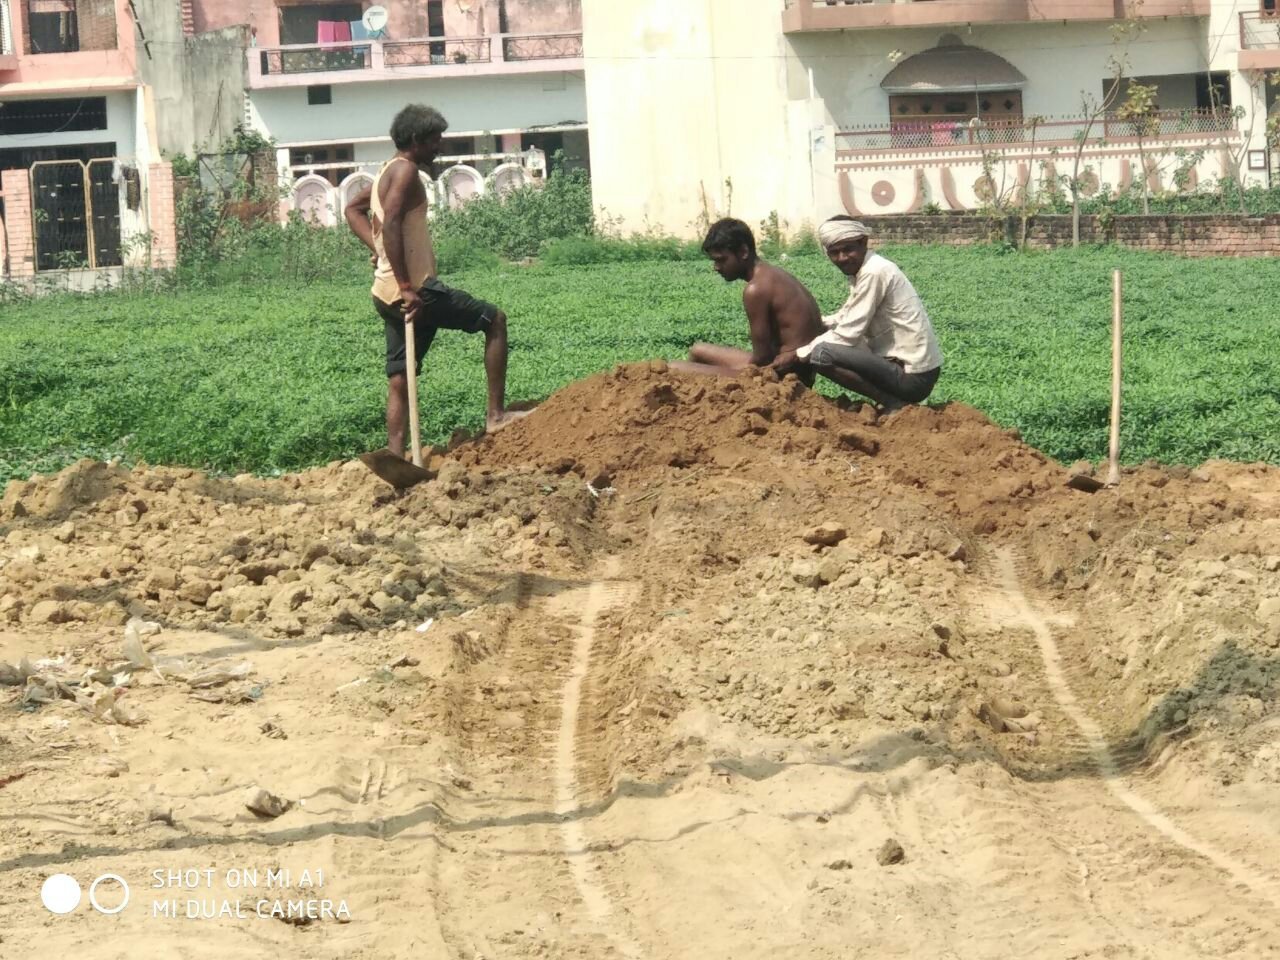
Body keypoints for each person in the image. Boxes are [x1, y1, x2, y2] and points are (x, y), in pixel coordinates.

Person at [344, 103, 526, 457]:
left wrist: (380, 252)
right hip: (416, 292)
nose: (438, 147)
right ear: (416, 139)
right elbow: (391, 222)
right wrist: (407, 286)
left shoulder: (386, 170)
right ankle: (496, 416)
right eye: (433, 140)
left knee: (400, 376)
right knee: (495, 320)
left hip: (384, 293)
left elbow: (353, 209)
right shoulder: (406, 171)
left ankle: (396, 455)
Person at [774, 217, 942, 412]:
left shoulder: (874, 272)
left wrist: (797, 354)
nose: (842, 258)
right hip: (906, 369)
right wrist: (815, 323)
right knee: (824, 343)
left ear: (863, 242)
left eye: (848, 249)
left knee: (821, 354)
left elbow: (848, 332)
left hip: (914, 377)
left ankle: (892, 403)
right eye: (834, 252)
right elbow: (847, 315)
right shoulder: (865, 270)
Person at [672, 218, 826, 386]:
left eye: (721, 260)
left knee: (673, 368)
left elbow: (762, 359)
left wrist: (740, 373)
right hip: (791, 368)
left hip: (783, 377)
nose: (716, 267)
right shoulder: (772, 274)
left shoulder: (756, 289)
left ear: (743, 252)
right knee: (698, 350)